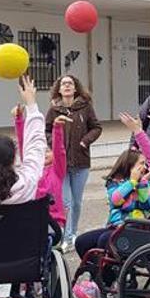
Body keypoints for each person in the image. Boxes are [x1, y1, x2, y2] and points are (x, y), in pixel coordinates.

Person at [0, 74, 69, 298]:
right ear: (14, 159)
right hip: (24, 257)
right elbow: (36, 143)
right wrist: (31, 103)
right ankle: (18, 294)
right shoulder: (29, 179)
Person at [71, 149, 150, 298]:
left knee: (106, 240)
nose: (144, 167)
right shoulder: (114, 182)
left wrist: (142, 182)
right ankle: (100, 279)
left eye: (145, 164)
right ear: (129, 165)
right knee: (82, 241)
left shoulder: (145, 182)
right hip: (116, 227)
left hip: (136, 230)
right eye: (140, 164)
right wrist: (131, 182)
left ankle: (101, 284)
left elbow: (149, 204)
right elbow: (116, 200)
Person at [46, 75, 103, 253]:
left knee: (77, 202)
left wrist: (85, 141)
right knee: (66, 202)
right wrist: (54, 143)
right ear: (59, 89)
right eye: (63, 84)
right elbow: (46, 130)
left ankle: (73, 232)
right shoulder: (54, 110)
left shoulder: (85, 107)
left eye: (70, 83)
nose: (67, 86)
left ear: (75, 88)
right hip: (60, 164)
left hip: (81, 162)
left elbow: (96, 127)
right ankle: (68, 238)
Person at [14, 105, 67, 226]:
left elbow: (59, 150)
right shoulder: (30, 169)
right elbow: (24, 145)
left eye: (47, 150)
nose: (44, 154)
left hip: (54, 221)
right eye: (41, 151)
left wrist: (57, 128)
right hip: (33, 218)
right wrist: (19, 120)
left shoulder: (57, 170)